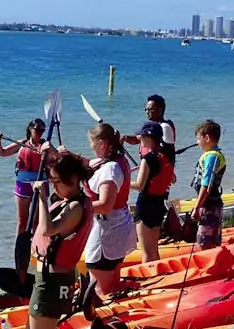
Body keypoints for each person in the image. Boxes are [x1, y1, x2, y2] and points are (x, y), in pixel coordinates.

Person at [25, 154, 93, 329]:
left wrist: (42, 198)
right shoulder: (70, 201)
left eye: (56, 181)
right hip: (49, 279)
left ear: (72, 180)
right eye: (52, 181)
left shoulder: (76, 207)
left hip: (52, 281)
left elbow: (47, 230)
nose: (53, 186)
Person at [57, 123, 136, 297]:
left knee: (101, 289)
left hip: (107, 232)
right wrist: (67, 154)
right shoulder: (116, 160)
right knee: (112, 283)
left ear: (102, 144)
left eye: (92, 143)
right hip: (118, 226)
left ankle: (104, 317)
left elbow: (105, 204)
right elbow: (90, 163)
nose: (91, 147)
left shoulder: (111, 169)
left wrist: (74, 207)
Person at [0, 118, 47, 236]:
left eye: (42, 130)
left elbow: (56, 160)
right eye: (37, 129)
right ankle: (20, 250)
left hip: (41, 184)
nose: (40, 132)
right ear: (30, 129)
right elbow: (2, 153)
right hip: (23, 184)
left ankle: (35, 248)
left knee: (37, 222)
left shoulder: (46, 146)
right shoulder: (22, 144)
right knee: (22, 221)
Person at [133, 122, 174, 263]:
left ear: (149, 138)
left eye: (142, 136)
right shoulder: (166, 156)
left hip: (145, 206)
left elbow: (139, 185)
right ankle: (158, 277)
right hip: (158, 205)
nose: (139, 139)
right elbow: (173, 179)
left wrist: (123, 183)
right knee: (154, 250)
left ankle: (149, 283)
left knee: (146, 253)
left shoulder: (148, 159)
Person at [190, 120, 227, 248]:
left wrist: (197, 207)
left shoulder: (212, 157)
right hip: (212, 203)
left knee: (204, 242)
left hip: (209, 206)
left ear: (207, 138)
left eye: (198, 138)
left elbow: (206, 185)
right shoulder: (213, 154)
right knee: (210, 240)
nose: (197, 142)